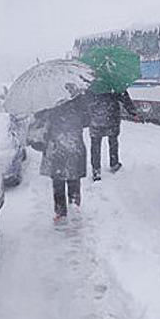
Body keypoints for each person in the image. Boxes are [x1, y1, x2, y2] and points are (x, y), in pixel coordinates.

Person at [31, 93, 90, 222]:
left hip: (57, 147)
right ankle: (74, 203)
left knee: (58, 181)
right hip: (74, 144)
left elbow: (40, 122)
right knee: (74, 177)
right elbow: (87, 120)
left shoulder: (49, 104)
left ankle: (60, 212)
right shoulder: (78, 102)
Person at [89, 90, 139, 181]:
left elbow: (84, 102)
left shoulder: (92, 85)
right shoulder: (114, 84)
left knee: (95, 145)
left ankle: (96, 170)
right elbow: (124, 98)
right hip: (112, 117)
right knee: (113, 142)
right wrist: (133, 112)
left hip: (96, 118)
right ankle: (114, 163)